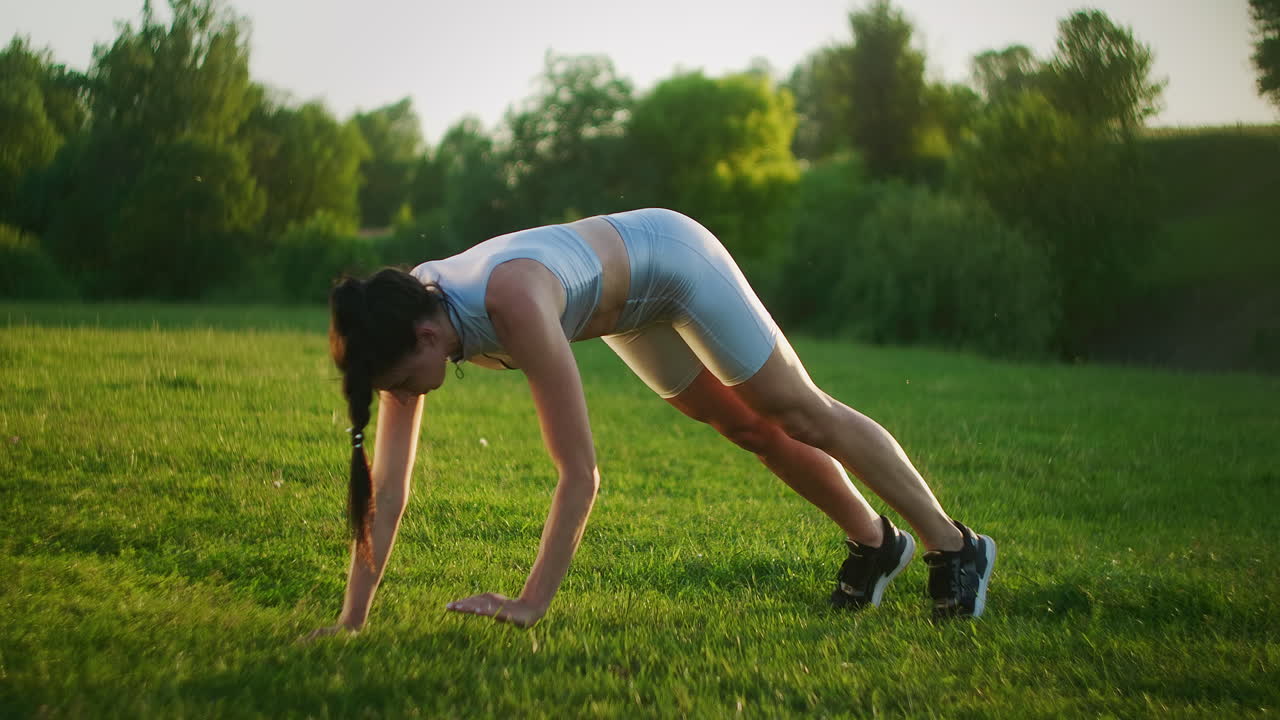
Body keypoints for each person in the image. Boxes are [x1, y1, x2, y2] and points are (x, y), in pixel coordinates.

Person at [306, 208, 995, 636]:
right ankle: (875, 544)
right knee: (749, 431)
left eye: (397, 384)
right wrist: (351, 621)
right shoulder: (407, 316)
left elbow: (580, 475)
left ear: (426, 339)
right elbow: (388, 490)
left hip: (671, 261)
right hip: (625, 311)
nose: (401, 396)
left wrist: (529, 602)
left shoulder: (508, 302)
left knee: (798, 412)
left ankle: (954, 547)